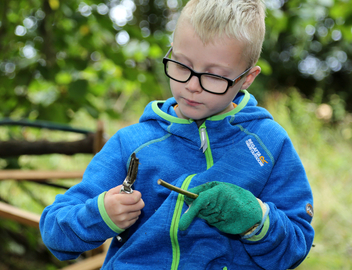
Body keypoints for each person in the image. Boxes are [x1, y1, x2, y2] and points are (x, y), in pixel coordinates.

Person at [40, 0, 314, 269]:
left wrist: (258, 221)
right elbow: (54, 232)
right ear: (171, 51)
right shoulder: (131, 143)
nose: (192, 86)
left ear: (247, 78)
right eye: (182, 65)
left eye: (214, 76)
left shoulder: (269, 143)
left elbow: (295, 248)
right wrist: (100, 215)